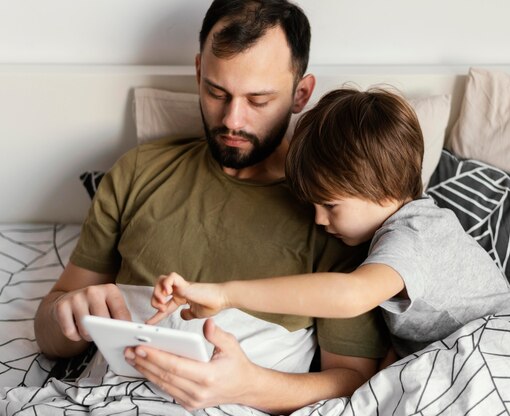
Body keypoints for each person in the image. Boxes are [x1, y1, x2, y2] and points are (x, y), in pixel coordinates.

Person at [33, 0, 388, 413]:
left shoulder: (335, 212)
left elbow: (353, 382)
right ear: (199, 72)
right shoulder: (139, 171)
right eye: (217, 93)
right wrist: (68, 315)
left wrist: (248, 386)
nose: (233, 120)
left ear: (301, 94)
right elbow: (48, 332)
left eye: (258, 100)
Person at [147, 87, 510, 363]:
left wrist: (227, 294)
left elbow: (350, 295)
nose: (318, 219)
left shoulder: (415, 235)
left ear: (384, 185)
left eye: (330, 204)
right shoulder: (391, 236)